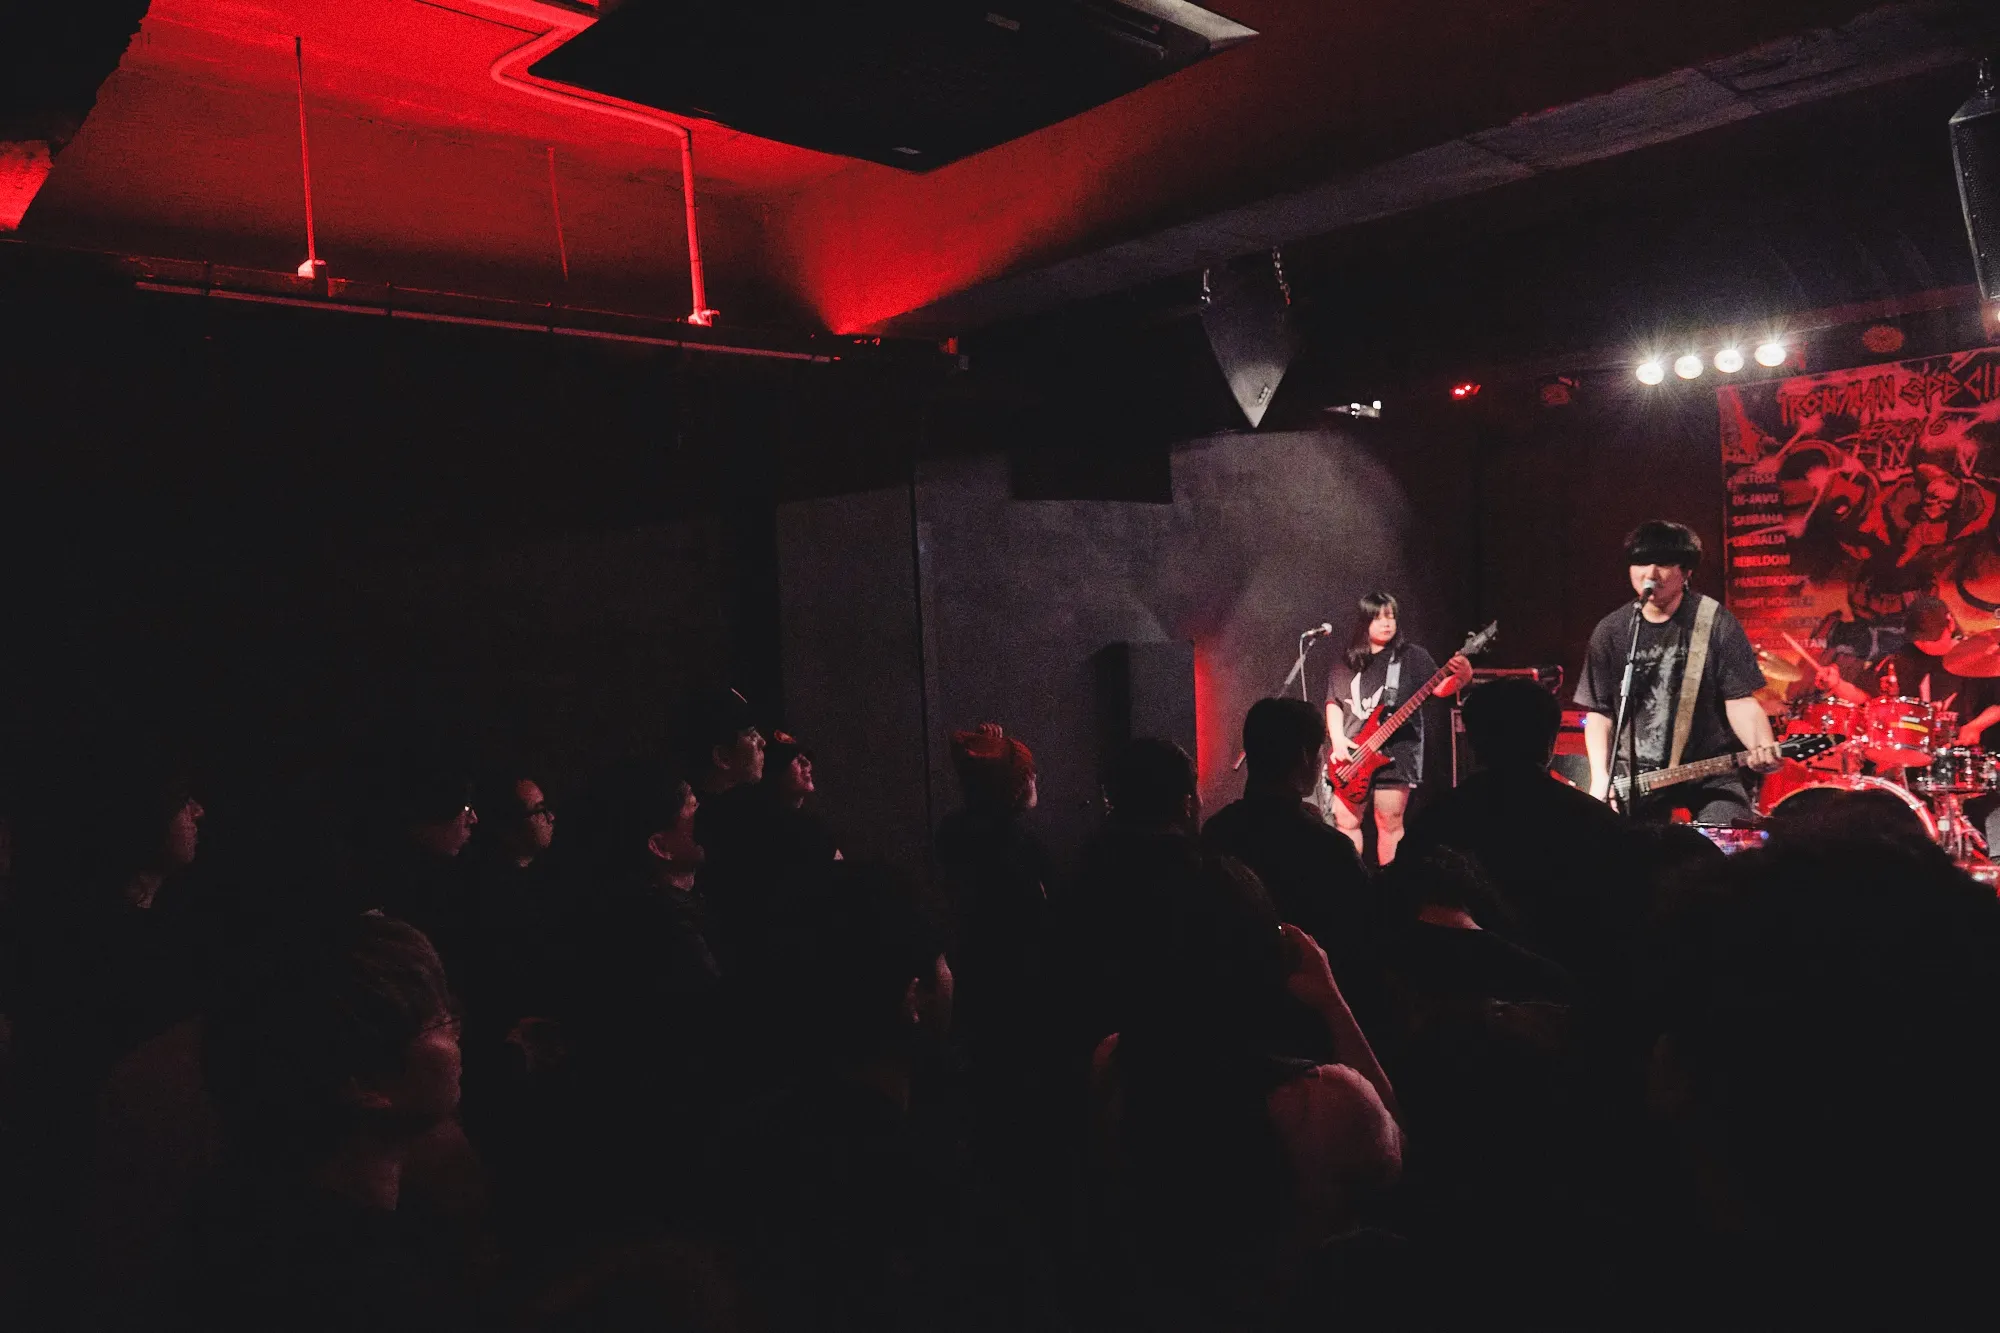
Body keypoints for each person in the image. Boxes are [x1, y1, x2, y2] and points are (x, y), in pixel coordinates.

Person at [1085, 853, 1401, 1328]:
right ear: (1268, 959)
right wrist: (1333, 1001)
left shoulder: (1113, 1062)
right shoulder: (1327, 1103)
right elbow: (1397, 1155)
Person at [180, 913, 478, 1332]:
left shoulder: (232, 1222)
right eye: (441, 1021)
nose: (457, 1034)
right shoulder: (371, 1292)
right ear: (365, 1083)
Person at [1405, 679, 1646, 984]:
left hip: (1467, 992)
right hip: (1576, 993)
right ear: (1550, 744)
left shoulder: (1438, 819)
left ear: (1474, 742)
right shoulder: (1600, 823)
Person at [1577, 521, 1779, 822]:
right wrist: (1600, 778)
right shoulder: (1611, 631)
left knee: (1732, 834)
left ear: (1686, 572)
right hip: (1635, 775)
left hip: (1709, 772)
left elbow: (1739, 700)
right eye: (1641, 562)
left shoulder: (1715, 622)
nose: (1650, 573)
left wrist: (1761, 745)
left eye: (1663, 564)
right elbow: (1599, 713)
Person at [1202, 699, 1374, 979]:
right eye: (1321, 751)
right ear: (1306, 756)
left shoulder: (1215, 832)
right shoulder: (1332, 850)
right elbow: (1361, 946)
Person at [1324, 592, 1473, 866]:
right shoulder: (1347, 660)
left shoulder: (1412, 656)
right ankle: (1350, 883)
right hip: (1352, 754)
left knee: (1389, 823)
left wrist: (1463, 677)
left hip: (1397, 752)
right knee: (1345, 822)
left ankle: (1389, 885)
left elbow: (1439, 688)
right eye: (1378, 617)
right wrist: (1338, 740)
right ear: (1363, 622)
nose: (1386, 623)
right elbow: (1334, 702)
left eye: (1391, 616)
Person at [1814, 595, 2000, 745]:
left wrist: (1976, 726)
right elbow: (1865, 697)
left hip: (1967, 752)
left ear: (1950, 624)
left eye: (1933, 638)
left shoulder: (1982, 655)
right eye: (1920, 640)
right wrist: (1836, 684)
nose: (1926, 645)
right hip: (1912, 751)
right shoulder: (1902, 658)